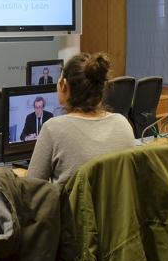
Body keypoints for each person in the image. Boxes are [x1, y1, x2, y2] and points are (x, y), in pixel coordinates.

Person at [27, 52, 135, 184]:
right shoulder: (122, 124)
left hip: (72, 205)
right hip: (116, 205)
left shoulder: (53, 129)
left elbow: (31, 190)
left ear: (64, 85)